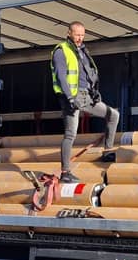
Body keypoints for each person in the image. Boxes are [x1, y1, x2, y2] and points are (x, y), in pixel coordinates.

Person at [50, 21, 120, 183]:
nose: (80, 38)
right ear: (69, 33)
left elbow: (89, 74)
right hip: (71, 97)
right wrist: (69, 98)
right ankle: (65, 172)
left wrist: (95, 92)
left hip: (87, 96)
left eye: (82, 35)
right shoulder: (61, 51)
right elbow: (61, 77)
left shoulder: (83, 51)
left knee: (113, 115)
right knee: (70, 134)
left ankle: (107, 152)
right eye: (77, 35)